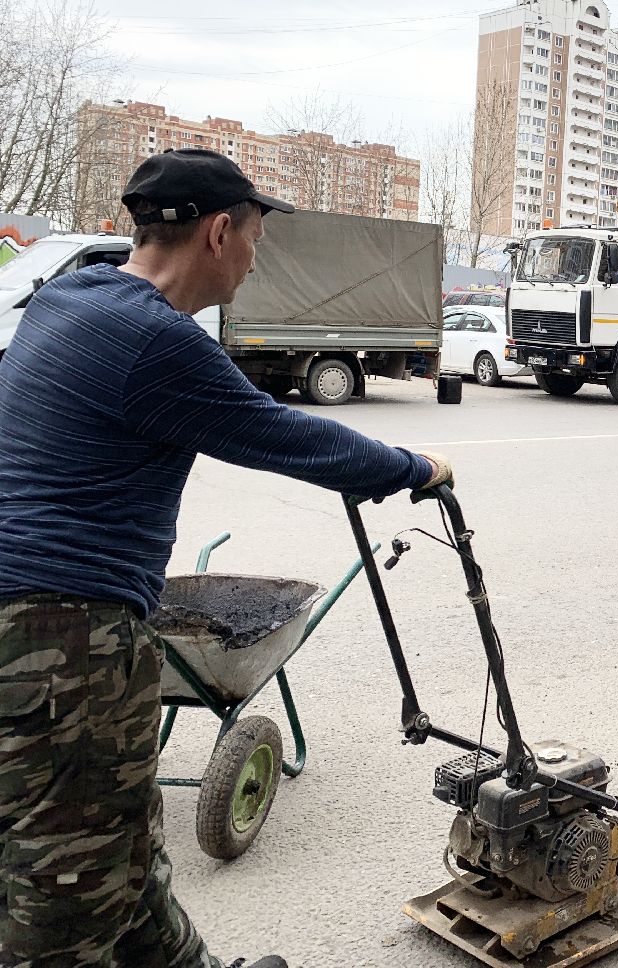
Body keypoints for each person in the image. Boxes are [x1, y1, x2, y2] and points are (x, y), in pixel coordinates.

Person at [0, 148, 453, 968]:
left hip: (34, 618)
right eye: (253, 236)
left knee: (121, 848)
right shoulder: (155, 341)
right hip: (59, 637)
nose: (255, 255)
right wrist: (415, 468)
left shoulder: (65, 299)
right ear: (218, 233)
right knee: (63, 900)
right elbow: (286, 436)